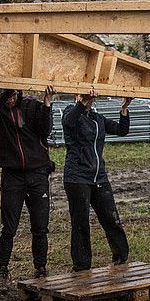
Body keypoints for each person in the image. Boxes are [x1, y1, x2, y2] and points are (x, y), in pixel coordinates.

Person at [0, 86, 56, 292]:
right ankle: (1, 270)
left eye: (13, 96)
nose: (11, 100)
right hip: (12, 174)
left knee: (40, 225)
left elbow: (45, 130)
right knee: (8, 226)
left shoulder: (30, 106)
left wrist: (47, 104)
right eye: (6, 97)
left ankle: (41, 268)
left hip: (37, 172)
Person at [61, 91, 132, 271]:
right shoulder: (70, 113)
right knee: (80, 222)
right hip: (77, 177)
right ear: (76, 97)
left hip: (99, 176)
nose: (87, 101)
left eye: (89, 98)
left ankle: (121, 257)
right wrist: (80, 104)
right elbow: (68, 122)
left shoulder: (97, 118)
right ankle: (82, 265)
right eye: (82, 97)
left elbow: (122, 131)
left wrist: (124, 108)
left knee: (111, 217)